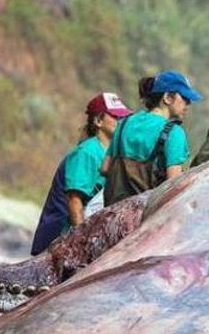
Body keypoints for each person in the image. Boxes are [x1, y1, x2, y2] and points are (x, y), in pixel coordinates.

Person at [30, 92, 133, 255]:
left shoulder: (111, 153)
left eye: (123, 117)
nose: (121, 122)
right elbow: (74, 201)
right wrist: (82, 244)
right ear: (98, 121)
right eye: (115, 117)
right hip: (61, 239)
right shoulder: (86, 153)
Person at [101, 70, 203, 206]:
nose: (188, 103)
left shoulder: (124, 123)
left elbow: (105, 168)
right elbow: (174, 188)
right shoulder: (174, 133)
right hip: (145, 219)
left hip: (113, 214)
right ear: (168, 98)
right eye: (184, 98)